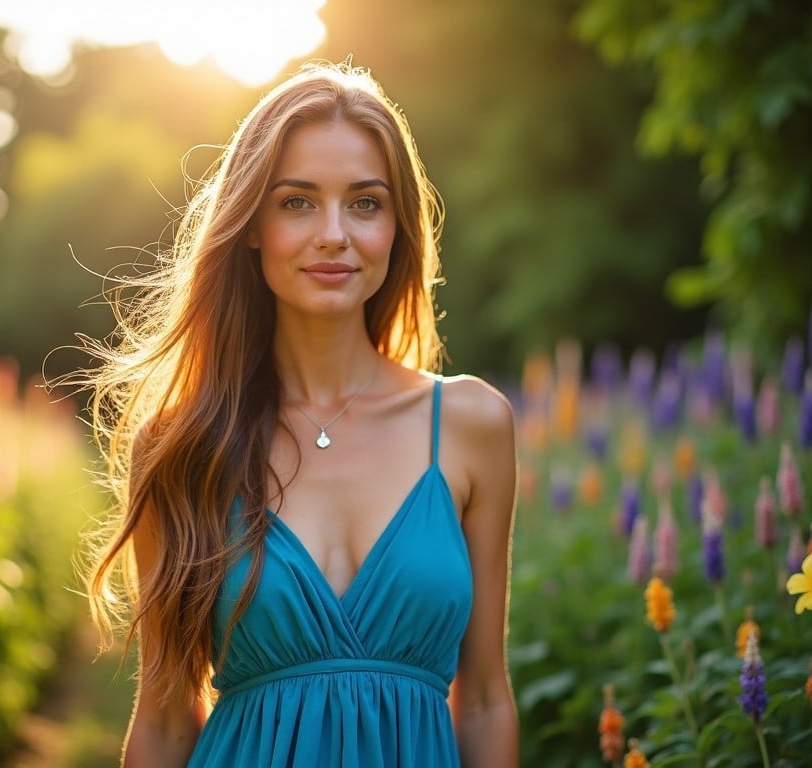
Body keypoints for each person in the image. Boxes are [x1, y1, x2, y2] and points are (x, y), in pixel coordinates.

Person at [82, 60, 519, 767]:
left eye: (366, 203)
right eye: (297, 202)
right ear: (251, 225)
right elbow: (164, 720)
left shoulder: (470, 424)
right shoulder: (182, 442)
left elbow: (486, 700)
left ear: (397, 228)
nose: (334, 234)